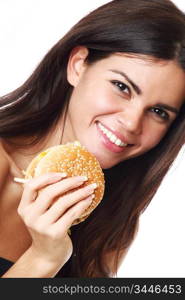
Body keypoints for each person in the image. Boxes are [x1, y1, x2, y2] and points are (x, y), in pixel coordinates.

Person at [0, 0, 185, 278]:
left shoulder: (114, 223)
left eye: (158, 112)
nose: (132, 123)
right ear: (78, 65)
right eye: (122, 87)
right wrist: (44, 259)